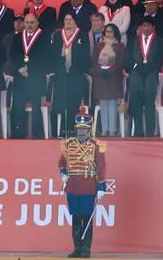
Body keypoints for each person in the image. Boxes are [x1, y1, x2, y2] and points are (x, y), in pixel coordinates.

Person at [58, 110, 106, 258]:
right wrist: (64, 171)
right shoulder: (69, 144)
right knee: (75, 218)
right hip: (73, 186)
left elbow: (101, 166)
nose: (81, 131)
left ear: (89, 129)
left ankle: (86, 249)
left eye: (84, 128)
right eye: (79, 128)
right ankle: (77, 248)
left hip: (88, 185)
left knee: (87, 218)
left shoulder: (96, 145)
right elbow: (61, 161)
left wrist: (101, 186)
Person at [10, 13, 50, 138]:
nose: (29, 25)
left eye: (32, 22)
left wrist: (29, 70)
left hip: (36, 77)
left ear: (37, 23)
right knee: (17, 104)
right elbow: (12, 55)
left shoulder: (44, 37)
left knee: (36, 106)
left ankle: (37, 134)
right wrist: (19, 68)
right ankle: (18, 133)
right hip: (20, 77)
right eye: (27, 22)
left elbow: (44, 57)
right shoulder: (17, 37)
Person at [50, 13, 90, 136]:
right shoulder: (57, 35)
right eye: (66, 19)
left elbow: (86, 53)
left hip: (76, 73)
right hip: (61, 73)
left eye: (70, 19)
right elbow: (53, 54)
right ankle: (62, 130)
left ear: (75, 21)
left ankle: (72, 130)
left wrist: (82, 69)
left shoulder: (82, 35)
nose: (68, 22)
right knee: (61, 101)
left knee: (73, 102)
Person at [129, 16, 163, 137]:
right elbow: (128, 57)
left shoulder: (159, 41)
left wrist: (149, 67)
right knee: (136, 101)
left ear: (153, 27)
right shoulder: (134, 40)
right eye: (144, 25)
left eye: (149, 26)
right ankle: (138, 130)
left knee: (149, 102)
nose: (146, 28)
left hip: (151, 72)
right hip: (136, 73)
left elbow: (160, 57)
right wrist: (137, 66)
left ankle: (150, 131)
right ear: (141, 27)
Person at [91, 24, 125, 137]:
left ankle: (112, 130)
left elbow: (121, 62)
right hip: (101, 78)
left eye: (111, 32)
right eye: (106, 32)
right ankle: (104, 130)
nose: (108, 34)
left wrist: (110, 70)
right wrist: (101, 70)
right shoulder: (99, 46)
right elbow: (94, 62)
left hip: (114, 77)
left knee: (113, 104)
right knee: (104, 104)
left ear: (115, 33)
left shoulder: (119, 46)